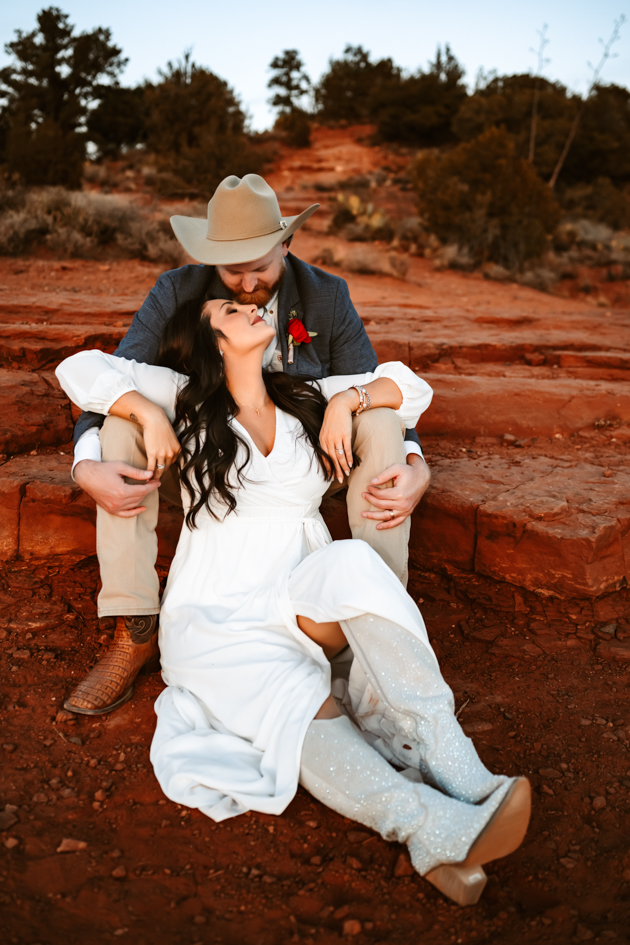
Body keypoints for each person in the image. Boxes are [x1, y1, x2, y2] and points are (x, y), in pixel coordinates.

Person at [55, 297, 531, 907]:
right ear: (212, 341)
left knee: (355, 564)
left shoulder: (306, 392)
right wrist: (144, 411)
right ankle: (429, 829)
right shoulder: (182, 395)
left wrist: (347, 401)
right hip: (218, 613)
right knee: (294, 706)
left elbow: (411, 389)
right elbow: (80, 368)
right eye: (229, 308)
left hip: (298, 589)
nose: (250, 304)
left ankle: (460, 767)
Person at [66, 174, 431, 716]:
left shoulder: (326, 296)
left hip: (305, 463)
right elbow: (107, 377)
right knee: (120, 429)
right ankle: (135, 625)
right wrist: (86, 463)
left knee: (378, 425)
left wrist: (414, 459)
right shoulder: (177, 291)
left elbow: (377, 386)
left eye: (259, 266)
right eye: (230, 269)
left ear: (286, 244)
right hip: (202, 462)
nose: (244, 284)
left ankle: (373, 619)